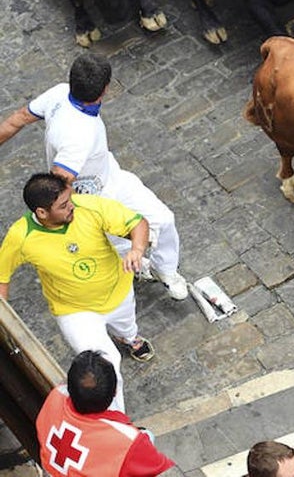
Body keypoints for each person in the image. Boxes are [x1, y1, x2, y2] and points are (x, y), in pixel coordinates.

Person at [0, 53, 186, 300]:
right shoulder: (81, 134)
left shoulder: (59, 93)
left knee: (163, 220)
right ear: (105, 89)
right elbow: (59, 179)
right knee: (118, 243)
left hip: (111, 176)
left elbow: (19, 118)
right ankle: (136, 270)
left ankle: (166, 271)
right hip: (91, 198)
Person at [0, 174, 155, 413]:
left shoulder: (88, 206)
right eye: (63, 206)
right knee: (105, 365)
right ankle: (115, 419)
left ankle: (128, 338)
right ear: (42, 213)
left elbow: (137, 223)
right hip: (74, 311)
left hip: (118, 290)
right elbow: (2, 276)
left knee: (126, 325)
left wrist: (137, 249)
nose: (71, 205)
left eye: (69, 199)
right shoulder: (20, 237)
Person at [36, 350, 174, 477]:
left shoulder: (56, 395)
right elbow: (162, 469)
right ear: (114, 392)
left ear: (70, 389)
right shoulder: (128, 442)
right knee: (147, 435)